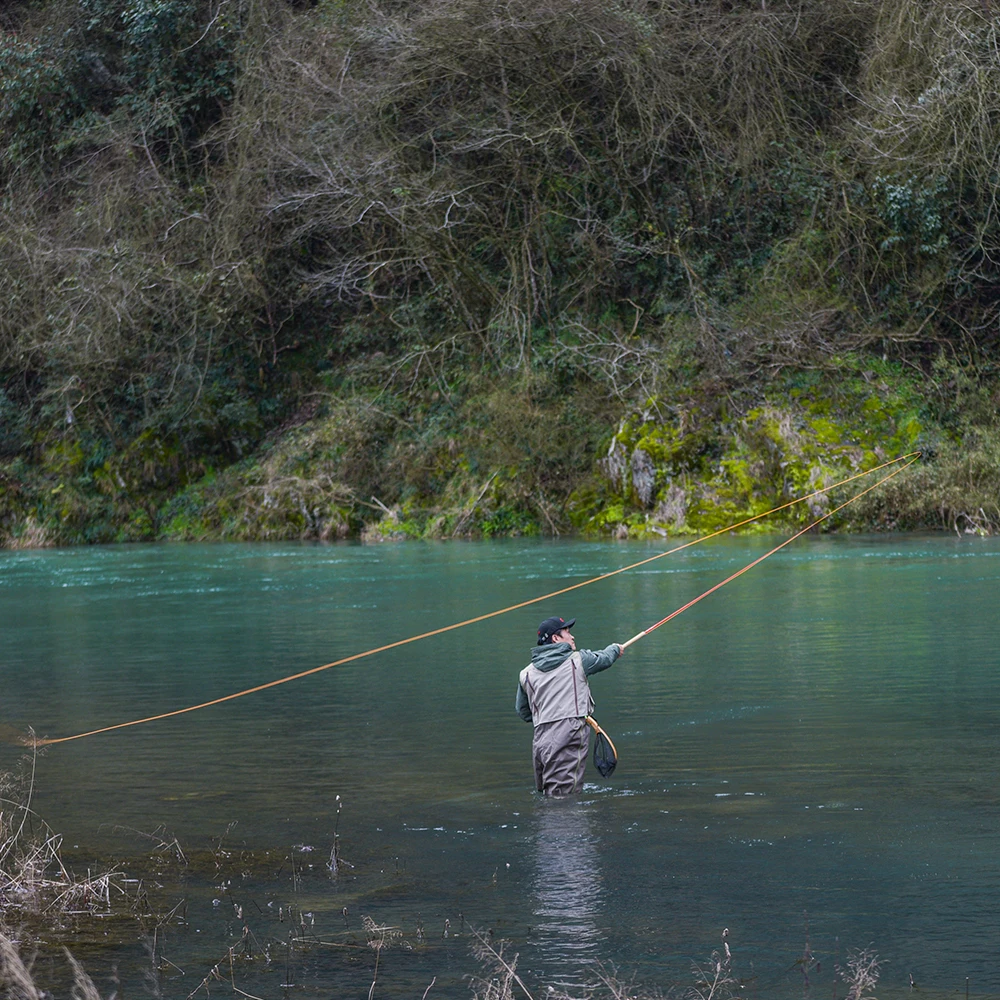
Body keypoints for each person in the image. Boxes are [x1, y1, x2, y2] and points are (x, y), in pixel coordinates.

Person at [515, 616, 623, 796]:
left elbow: (524, 712)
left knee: (550, 792)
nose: (572, 637)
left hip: (540, 738)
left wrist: (548, 713)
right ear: (556, 639)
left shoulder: (526, 674)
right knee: (564, 797)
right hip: (570, 732)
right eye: (567, 632)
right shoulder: (578, 660)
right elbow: (604, 658)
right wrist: (615, 649)